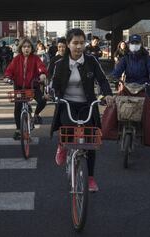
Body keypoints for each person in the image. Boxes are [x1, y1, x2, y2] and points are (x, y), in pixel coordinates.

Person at [50, 28, 113, 192]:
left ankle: (90, 178)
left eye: (81, 43)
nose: (79, 46)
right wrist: (52, 94)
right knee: (69, 132)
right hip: (67, 104)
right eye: (75, 43)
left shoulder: (91, 61)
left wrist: (107, 94)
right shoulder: (60, 64)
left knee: (89, 141)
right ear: (68, 44)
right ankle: (62, 145)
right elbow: (54, 84)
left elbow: (102, 80)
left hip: (87, 105)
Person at [3, 38, 47, 139]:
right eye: (24, 47)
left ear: (32, 48)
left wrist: (42, 74)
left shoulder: (35, 58)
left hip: (33, 87)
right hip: (19, 88)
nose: (26, 49)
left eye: (28, 47)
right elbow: (9, 70)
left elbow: (41, 67)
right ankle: (18, 130)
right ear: (21, 48)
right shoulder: (17, 59)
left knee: (43, 100)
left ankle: (36, 115)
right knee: (17, 107)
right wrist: (7, 77)